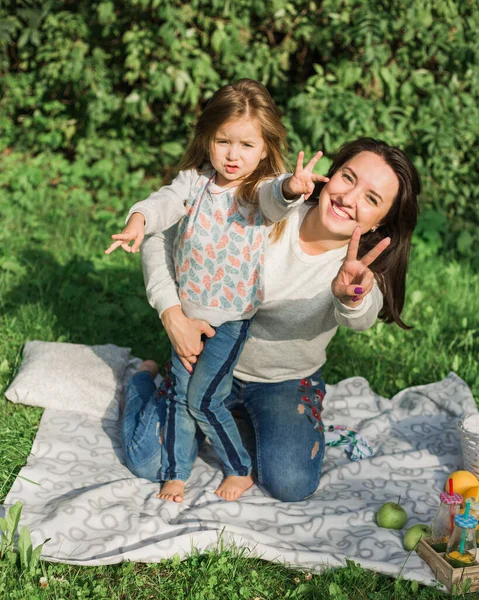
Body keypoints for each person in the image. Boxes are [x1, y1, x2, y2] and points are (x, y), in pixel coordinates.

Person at [121, 136, 421, 503]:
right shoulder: (269, 202)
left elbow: (361, 313)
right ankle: (143, 379)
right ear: (330, 174)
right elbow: (161, 233)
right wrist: (170, 312)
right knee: (148, 462)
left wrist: (351, 296)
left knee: (290, 483)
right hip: (208, 359)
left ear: (383, 220)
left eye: (372, 199)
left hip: (283, 382)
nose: (349, 198)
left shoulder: (361, 268)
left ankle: (246, 422)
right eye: (348, 177)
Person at [106, 79, 329, 502]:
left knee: (204, 400)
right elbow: (163, 203)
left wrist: (292, 188)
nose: (232, 154)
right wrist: (139, 219)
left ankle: (239, 468)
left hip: (229, 322)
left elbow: (275, 198)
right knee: (181, 402)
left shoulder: (255, 191)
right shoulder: (194, 183)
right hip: (187, 319)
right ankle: (175, 470)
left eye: (246, 145)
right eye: (223, 141)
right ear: (207, 138)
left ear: (264, 148)